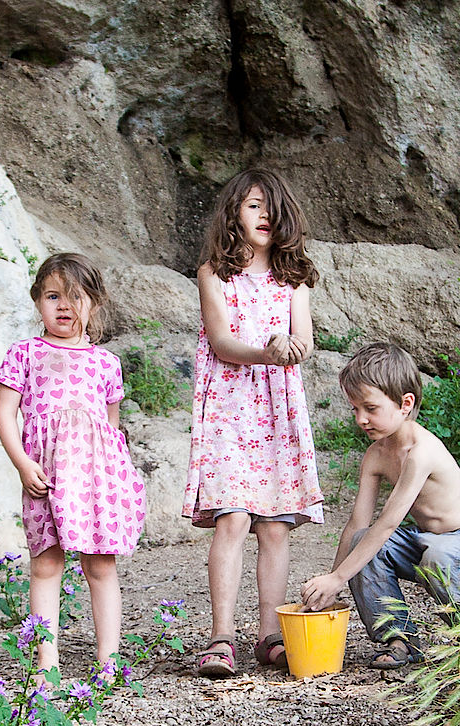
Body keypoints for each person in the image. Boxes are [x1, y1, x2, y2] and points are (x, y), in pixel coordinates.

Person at [184, 168, 324, 678]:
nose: (263, 215)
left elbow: (303, 340)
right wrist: (265, 353)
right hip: (228, 405)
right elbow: (221, 342)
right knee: (233, 517)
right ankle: (222, 637)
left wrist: (291, 349)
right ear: (233, 215)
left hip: (276, 408)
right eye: (251, 206)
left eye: (270, 206)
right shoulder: (213, 274)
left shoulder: (295, 278)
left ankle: (270, 635)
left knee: (275, 525)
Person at [300, 342, 460, 668]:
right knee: (361, 543)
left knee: (437, 555)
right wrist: (335, 578)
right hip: (425, 543)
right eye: (355, 409)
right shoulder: (376, 455)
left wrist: (337, 580)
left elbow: (388, 523)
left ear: (405, 404)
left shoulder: (422, 453)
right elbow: (357, 526)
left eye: (371, 408)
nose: (361, 419)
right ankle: (398, 639)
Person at [0, 253, 147, 671]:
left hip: (95, 481)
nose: (64, 305)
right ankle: (46, 664)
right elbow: (5, 413)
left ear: (94, 303)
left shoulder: (106, 363)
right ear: (36, 301)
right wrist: (23, 463)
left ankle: (109, 660)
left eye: (76, 296)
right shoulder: (24, 353)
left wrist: (118, 478)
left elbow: (110, 429)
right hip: (44, 475)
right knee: (46, 563)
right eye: (52, 295)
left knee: (100, 566)